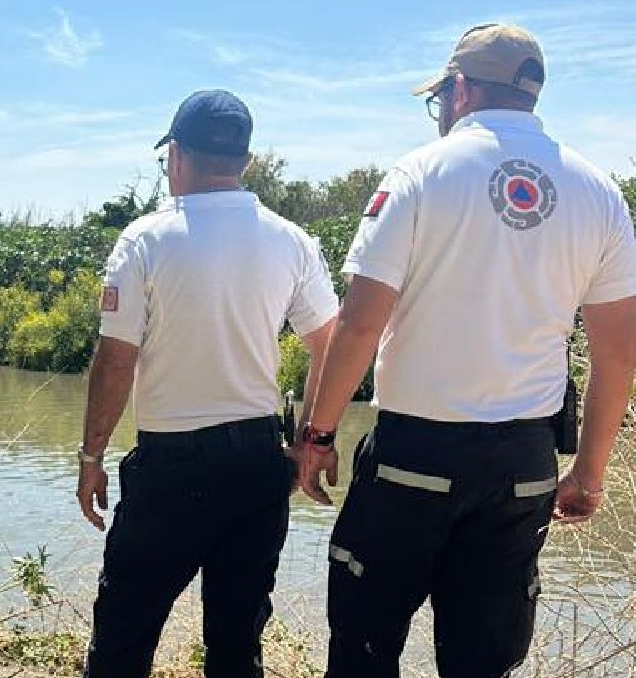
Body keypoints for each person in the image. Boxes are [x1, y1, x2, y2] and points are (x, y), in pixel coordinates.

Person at [295, 24, 636, 678]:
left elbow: (361, 324)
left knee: (365, 650)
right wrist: (588, 473)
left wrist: (317, 435)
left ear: (460, 89)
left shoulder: (421, 173)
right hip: (524, 464)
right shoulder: (598, 192)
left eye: (440, 99)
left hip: (413, 460)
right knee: (482, 662)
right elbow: (618, 352)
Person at [76, 89, 339, 678]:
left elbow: (116, 362)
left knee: (123, 636)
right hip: (257, 465)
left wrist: (91, 454)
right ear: (245, 161)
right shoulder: (290, 240)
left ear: (176, 153)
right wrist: (311, 440)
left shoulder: (146, 238)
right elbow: (332, 343)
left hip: (171, 472)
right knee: (236, 643)